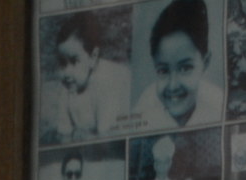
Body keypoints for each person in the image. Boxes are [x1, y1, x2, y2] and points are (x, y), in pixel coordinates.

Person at [39, 12, 129, 145]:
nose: (66, 72)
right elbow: (64, 132)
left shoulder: (104, 84)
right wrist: (66, 137)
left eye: (74, 61)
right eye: (62, 63)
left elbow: (107, 138)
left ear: (93, 57)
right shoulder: (68, 87)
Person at [124, 1, 208, 130]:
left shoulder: (216, 104)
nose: (173, 85)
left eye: (185, 68)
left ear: (205, 63)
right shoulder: (145, 108)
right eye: (163, 71)